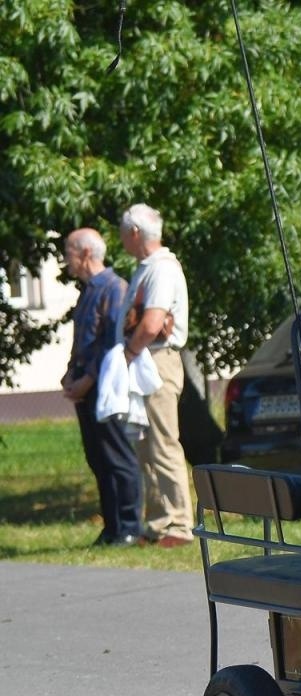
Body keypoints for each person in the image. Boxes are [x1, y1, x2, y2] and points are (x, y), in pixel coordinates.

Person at [117, 203, 194, 547]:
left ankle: (180, 524)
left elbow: (151, 323)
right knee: (145, 445)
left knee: (163, 442)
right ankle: (159, 521)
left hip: (156, 360)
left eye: (122, 231)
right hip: (147, 361)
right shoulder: (147, 267)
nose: (120, 239)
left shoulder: (161, 269)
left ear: (135, 233)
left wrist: (128, 352)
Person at [60, 228, 140, 547]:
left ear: (86, 254)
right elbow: (83, 340)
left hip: (104, 386)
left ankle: (130, 527)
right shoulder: (87, 291)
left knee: (118, 456)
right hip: (84, 386)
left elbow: (111, 343)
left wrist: (86, 380)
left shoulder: (114, 288)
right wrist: (69, 374)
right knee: (98, 457)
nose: (66, 261)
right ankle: (112, 527)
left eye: (68, 253)